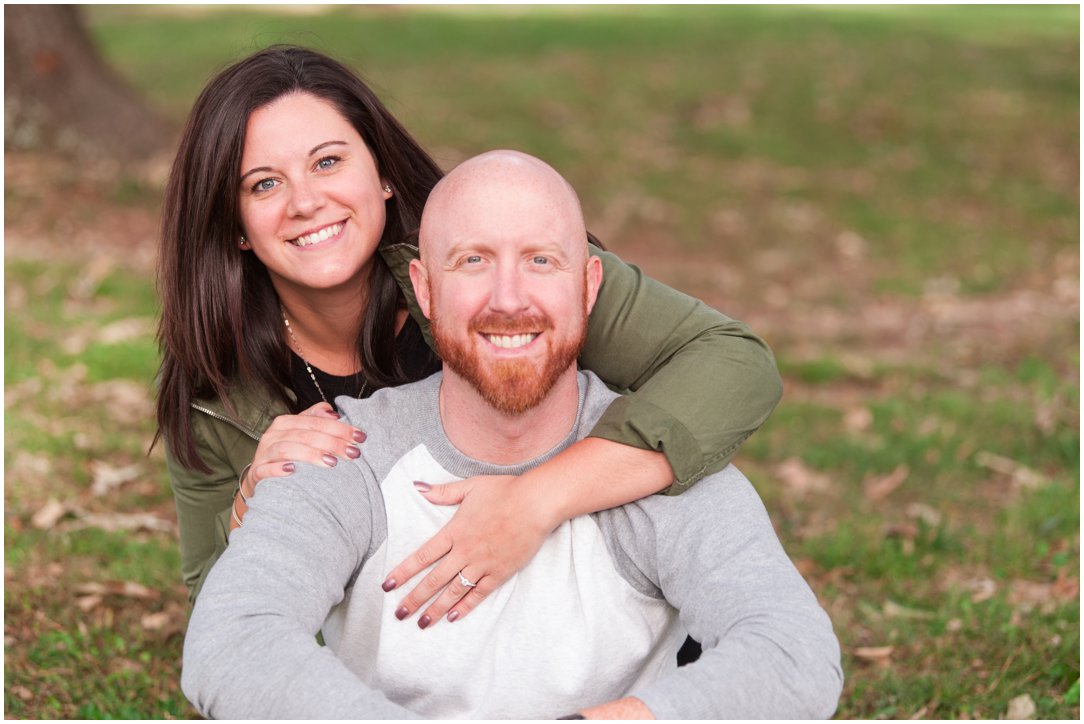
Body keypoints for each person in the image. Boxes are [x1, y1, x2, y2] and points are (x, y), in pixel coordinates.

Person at [181, 150, 842, 719]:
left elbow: (793, 653)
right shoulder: (346, 455)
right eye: (472, 260)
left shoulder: (653, 459)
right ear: (425, 290)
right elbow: (232, 641)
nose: (508, 298)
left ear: (589, 287)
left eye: (540, 260)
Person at [156, 46, 783, 628]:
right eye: (264, 183)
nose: (305, 202)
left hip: (587, 612)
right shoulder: (213, 385)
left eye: (328, 162)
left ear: (381, 173)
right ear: (235, 225)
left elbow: (733, 362)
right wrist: (251, 509)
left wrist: (535, 501)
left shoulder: (498, 259)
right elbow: (221, 619)